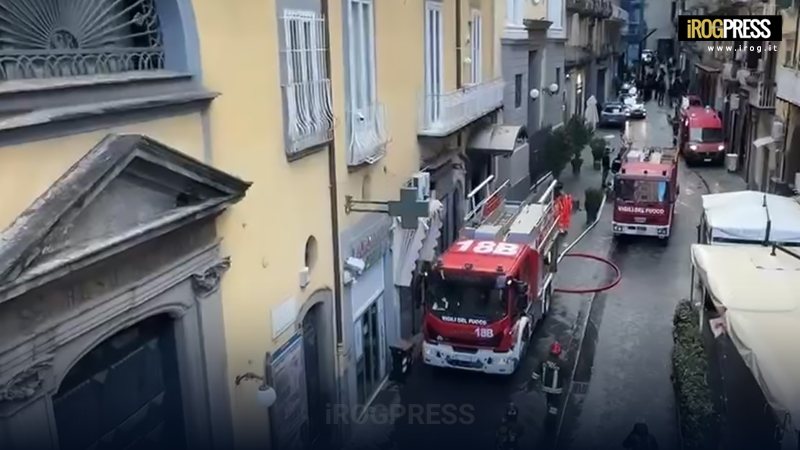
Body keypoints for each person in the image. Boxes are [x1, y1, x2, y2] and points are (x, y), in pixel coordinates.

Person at [531, 342, 566, 417]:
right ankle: (551, 418)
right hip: (557, 390)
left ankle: (549, 408)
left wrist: (531, 383)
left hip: (545, 387)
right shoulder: (561, 364)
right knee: (555, 403)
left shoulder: (544, 359)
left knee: (549, 400)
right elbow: (566, 375)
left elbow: (536, 372)